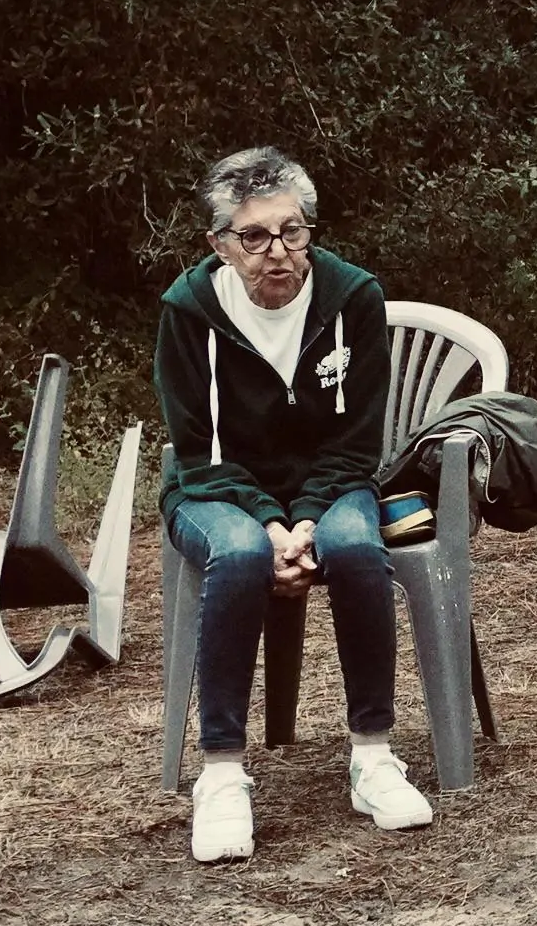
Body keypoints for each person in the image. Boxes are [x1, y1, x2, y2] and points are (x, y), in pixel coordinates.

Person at [155, 147, 430, 864]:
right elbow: (198, 449)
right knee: (239, 552)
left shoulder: (354, 297)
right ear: (220, 243)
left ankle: (373, 756)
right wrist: (272, 525)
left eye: (292, 231)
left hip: (329, 484)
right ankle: (221, 774)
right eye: (254, 236)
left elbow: (356, 441)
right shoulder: (187, 310)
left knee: (357, 547)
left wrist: (305, 518)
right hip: (216, 487)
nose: (277, 252)